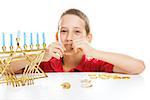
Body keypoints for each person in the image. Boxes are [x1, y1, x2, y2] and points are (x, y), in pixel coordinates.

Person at [11, 8, 145, 74]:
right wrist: (41, 56)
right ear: (57, 37)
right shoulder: (47, 63)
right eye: (64, 31)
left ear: (88, 38)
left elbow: (138, 67)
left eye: (77, 32)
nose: (69, 38)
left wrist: (94, 52)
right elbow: (6, 68)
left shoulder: (95, 63)